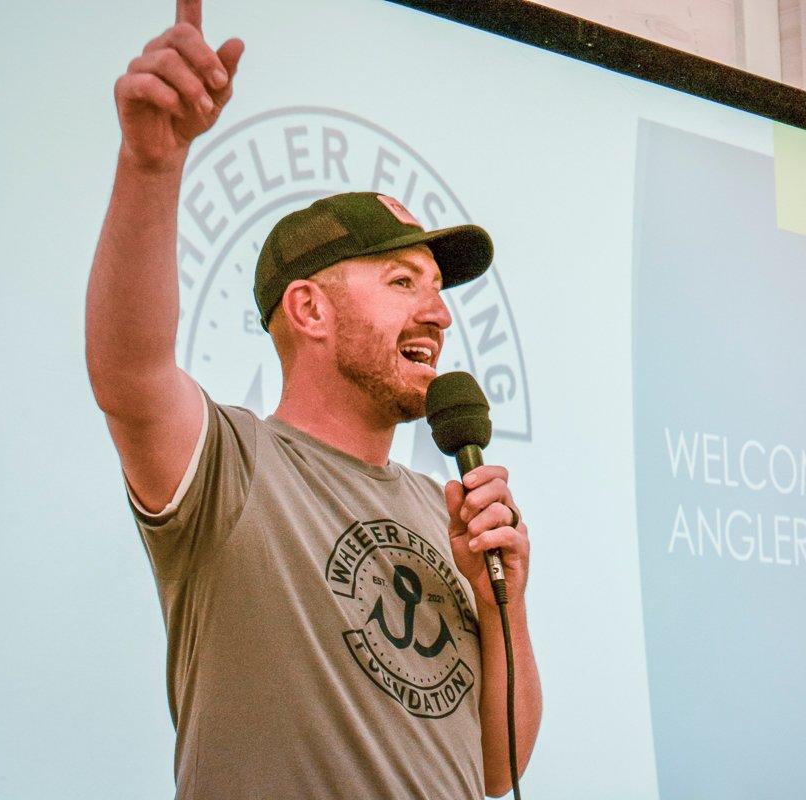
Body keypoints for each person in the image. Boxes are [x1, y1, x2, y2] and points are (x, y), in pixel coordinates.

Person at [83, 2, 542, 797]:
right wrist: (151, 167)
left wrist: (503, 603)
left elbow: (497, 769)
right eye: (403, 282)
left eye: (437, 291)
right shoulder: (233, 466)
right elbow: (129, 376)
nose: (437, 313)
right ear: (309, 310)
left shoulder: (446, 512)